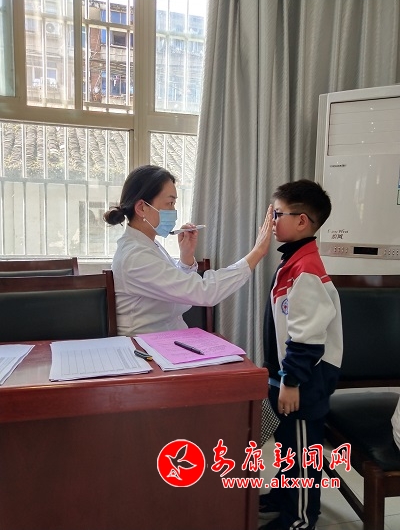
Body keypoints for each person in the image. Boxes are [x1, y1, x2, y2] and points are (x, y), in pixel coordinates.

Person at [259, 180, 343, 530]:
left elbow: (307, 338)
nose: (271, 222)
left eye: (277, 214)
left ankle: (301, 518)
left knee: (303, 455)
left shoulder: (306, 269)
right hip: (287, 376)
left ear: (302, 221)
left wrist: (291, 381)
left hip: (304, 382)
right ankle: (283, 498)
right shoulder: (294, 261)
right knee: (287, 447)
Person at [103, 164, 273, 335]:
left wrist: (186, 257)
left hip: (169, 337)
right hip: (145, 345)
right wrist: (257, 253)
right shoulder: (135, 255)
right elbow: (203, 292)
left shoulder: (148, 245)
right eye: (169, 203)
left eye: (174, 204)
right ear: (141, 208)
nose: (173, 211)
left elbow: (179, 290)